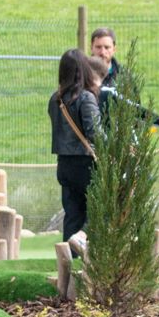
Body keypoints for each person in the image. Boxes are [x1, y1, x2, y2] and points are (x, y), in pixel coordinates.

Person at [48, 49, 101, 253]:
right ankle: (83, 237)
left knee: (72, 215)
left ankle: (67, 268)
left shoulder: (55, 99)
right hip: (86, 163)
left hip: (64, 164)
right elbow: (95, 133)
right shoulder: (85, 98)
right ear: (84, 70)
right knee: (100, 208)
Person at [86, 56, 159, 134]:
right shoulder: (107, 94)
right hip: (100, 149)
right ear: (104, 75)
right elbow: (136, 110)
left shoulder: (75, 94)